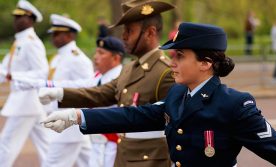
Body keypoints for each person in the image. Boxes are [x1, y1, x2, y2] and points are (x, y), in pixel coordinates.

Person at [43, 22, 276, 167]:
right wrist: (78, 116)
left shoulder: (234, 104)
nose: (172, 62)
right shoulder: (178, 94)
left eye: (180, 56)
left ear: (205, 63)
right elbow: (136, 116)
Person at [38, 0, 175, 167]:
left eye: (129, 31)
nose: (123, 36)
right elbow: (102, 93)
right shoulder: (130, 68)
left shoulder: (166, 72)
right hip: (123, 154)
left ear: (150, 33)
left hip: (151, 159)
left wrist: (77, 116)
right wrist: (61, 93)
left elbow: (169, 125)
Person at [13, 36, 125, 167]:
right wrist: (43, 84)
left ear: (116, 58)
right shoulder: (100, 76)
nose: (95, 57)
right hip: (99, 141)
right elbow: (78, 85)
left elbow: (92, 95)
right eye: (96, 52)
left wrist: (56, 92)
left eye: (101, 53)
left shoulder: (121, 78)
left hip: (114, 143)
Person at [0, 0, 49, 166]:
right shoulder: (19, 42)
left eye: (20, 17)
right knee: (47, 145)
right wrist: (9, 74)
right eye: (15, 17)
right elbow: (4, 70)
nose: (15, 20)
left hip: (25, 102)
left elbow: (42, 72)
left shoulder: (31, 42)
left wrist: (14, 76)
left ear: (30, 19)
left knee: (6, 144)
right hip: (29, 104)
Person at [41, 14, 94, 167]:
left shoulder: (77, 59)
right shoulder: (59, 57)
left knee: (52, 163)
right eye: (53, 33)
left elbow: (89, 89)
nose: (53, 37)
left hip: (69, 125)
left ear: (70, 35)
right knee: (90, 161)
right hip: (62, 120)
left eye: (58, 34)